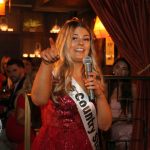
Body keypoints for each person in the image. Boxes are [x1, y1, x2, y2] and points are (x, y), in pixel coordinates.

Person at [31, 17, 112, 150]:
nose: (81, 43)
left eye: (86, 39)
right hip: (54, 144)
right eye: (74, 38)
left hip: (86, 144)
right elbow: (38, 100)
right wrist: (46, 63)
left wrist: (100, 96)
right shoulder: (53, 72)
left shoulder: (94, 75)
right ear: (64, 42)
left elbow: (105, 126)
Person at [4, 58, 35, 150]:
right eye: (8, 71)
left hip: (24, 140)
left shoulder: (26, 88)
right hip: (15, 138)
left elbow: (21, 117)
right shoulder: (16, 84)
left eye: (14, 70)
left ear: (23, 69)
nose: (11, 74)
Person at [107, 57, 137, 150]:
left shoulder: (132, 88)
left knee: (129, 132)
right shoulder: (106, 86)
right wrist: (116, 119)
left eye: (124, 69)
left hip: (128, 124)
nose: (120, 71)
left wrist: (129, 118)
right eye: (117, 67)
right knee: (125, 134)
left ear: (128, 72)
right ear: (113, 69)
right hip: (111, 125)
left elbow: (136, 113)